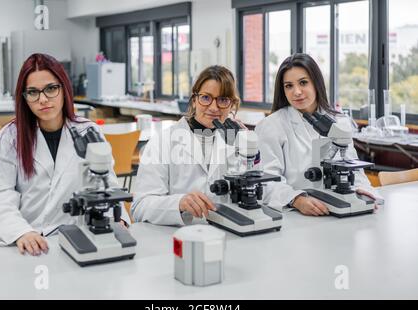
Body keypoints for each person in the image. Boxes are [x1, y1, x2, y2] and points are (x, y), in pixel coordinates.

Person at [0, 53, 129, 255]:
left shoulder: (89, 132)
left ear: (64, 89)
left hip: (71, 238)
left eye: (51, 88)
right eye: (33, 92)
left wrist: (116, 219)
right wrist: (21, 232)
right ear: (24, 97)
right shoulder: (9, 138)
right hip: (21, 243)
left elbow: (107, 186)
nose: (43, 99)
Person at [255, 53, 380, 216]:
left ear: (316, 83)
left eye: (303, 82)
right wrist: (296, 199)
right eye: (289, 86)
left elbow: (355, 171)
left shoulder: (339, 121)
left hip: (339, 212)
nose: (297, 92)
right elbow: (268, 180)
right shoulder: (271, 125)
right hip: (296, 217)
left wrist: (363, 192)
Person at [132, 65, 243, 225]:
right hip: (176, 237)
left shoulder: (236, 141)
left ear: (232, 104)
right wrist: (179, 204)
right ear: (194, 99)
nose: (213, 107)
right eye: (206, 97)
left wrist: (250, 149)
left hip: (227, 232)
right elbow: (139, 207)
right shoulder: (163, 141)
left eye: (223, 100)